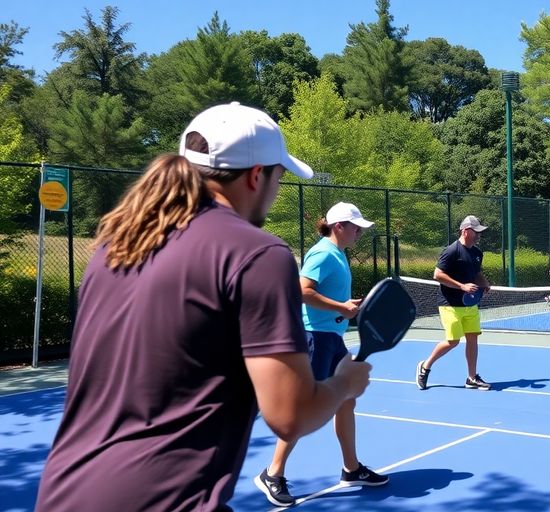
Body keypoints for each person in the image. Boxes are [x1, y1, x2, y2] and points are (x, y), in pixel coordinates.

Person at [35, 102, 371, 512]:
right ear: (254, 176)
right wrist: (343, 384)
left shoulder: (116, 246)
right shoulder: (258, 253)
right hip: (165, 499)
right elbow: (292, 414)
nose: (277, 188)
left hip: (63, 492)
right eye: (278, 176)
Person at [254, 201, 387, 507]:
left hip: (333, 337)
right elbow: (301, 290)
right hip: (315, 339)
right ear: (339, 226)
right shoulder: (324, 253)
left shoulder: (338, 255)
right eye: (356, 227)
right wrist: (342, 308)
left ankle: (351, 469)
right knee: (302, 408)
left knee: (347, 399)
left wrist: (344, 306)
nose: (359, 233)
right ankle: (272, 474)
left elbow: (323, 295)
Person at [416, 215, 492, 391]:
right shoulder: (451, 251)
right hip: (450, 304)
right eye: (476, 232)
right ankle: (425, 366)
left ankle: (471, 378)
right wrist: (462, 286)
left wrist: (484, 283)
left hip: (470, 305)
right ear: (465, 231)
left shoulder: (477, 253)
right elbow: (438, 275)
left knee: (472, 339)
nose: (479, 235)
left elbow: (477, 273)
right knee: (452, 341)